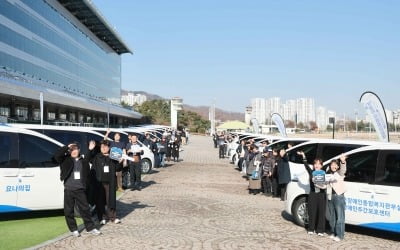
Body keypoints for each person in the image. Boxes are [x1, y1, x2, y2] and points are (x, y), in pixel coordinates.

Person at [54, 141, 101, 237]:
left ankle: (90, 228)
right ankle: (73, 229)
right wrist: (67, 146)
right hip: (69, 189)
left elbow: (87, 173)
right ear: (69, 151)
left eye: (75, 149)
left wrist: (90, 150)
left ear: (79, 150)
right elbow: (57, 156)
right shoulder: (65, 160)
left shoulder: (83, 161)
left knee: (85, 209)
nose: (74, 151)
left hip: (80, 189)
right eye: (72, 150)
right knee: (68, 211)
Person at [92, 140, 123, 225]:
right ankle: (102, 217)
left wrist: (120, 162)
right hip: (100, 182)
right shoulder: (97, 157)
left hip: (110, 181)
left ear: (109, 148)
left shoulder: (113, 157)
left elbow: (118, 168)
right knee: (100, 200)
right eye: (102, 146)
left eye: (105, 146)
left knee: (111, 200)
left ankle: (113, 217)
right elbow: (93, 169)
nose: (104, 148)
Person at [297, 151, 327, 236]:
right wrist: (303, 156)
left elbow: (328, 182)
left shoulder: (324, 173)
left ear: (322, 165)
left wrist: (325, 186)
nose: (317, 165)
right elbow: (306, 166)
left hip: (321, 195)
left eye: (319, 164)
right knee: (312, 212)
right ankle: (311, 228)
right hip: (313, 194)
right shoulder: (312, 172)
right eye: (315, 164)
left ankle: (320, 230)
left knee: (321, 212)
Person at [326, 155, 347, 242]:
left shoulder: (339, 173)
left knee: (340, 217)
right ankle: (333, 232)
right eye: (332, 165)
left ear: (338, 166)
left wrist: (342, 162)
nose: (333, 166)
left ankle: (340, 235)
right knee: (332, 217)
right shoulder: (328, 174)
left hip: (339, 196)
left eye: (335, 165)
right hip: (331, 197)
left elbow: (343, 169)